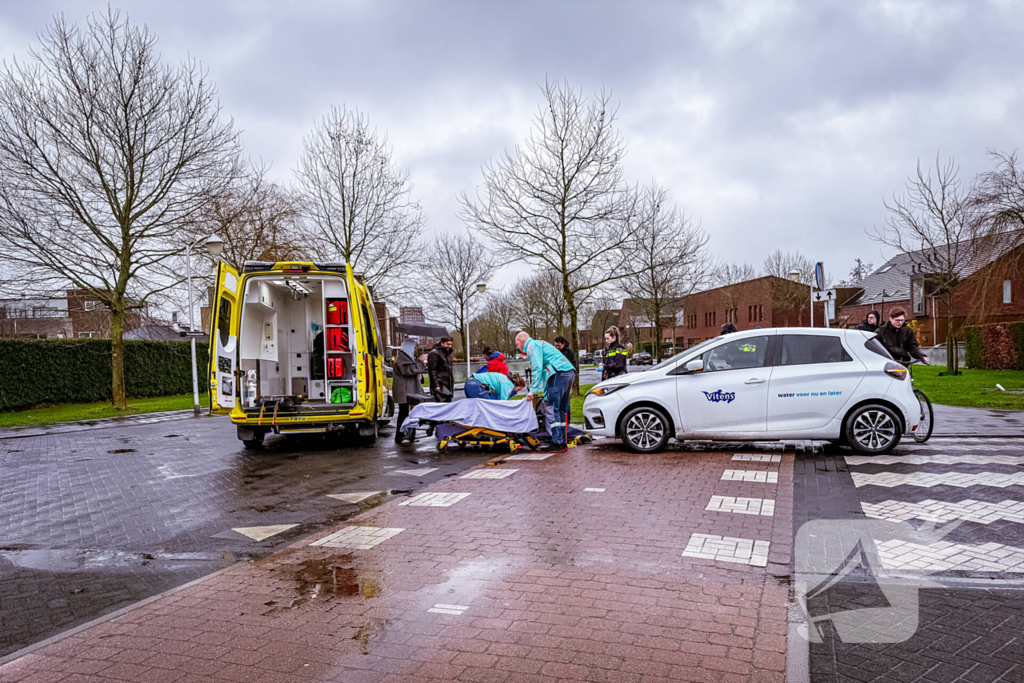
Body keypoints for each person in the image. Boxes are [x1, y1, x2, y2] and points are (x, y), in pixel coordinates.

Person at [516, 331, 575, 452]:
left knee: (552, 409)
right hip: (567, 371)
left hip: (558, 373)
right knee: (561, 409)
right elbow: (545, 374)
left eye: (517, 344)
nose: (517, 347)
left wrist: (532, 391)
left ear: (522, 341)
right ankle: (562, 441)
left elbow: (537, 368)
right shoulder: (540, 344)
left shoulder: (531, 345)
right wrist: (546, 394)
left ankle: (557, 442)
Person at [392, 339, 427, 443]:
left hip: (408, 391)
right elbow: (409, 370)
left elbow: (412, 370)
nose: (415, 349)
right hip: (405, 392)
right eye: (414, 347)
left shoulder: (405, 357)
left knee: (410, 413)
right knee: (404, 414)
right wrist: (420, 362)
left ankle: (409, 435)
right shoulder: (401, 359)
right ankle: (400, 436)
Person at [427, 337, 454, 402]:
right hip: (440, 385)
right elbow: (432, 371)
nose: (449, 346)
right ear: (442, 343)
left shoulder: (447, 354)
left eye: (451, 344)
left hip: (447, 384)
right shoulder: (434, 353)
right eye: (447, 344)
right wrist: (436, 385)